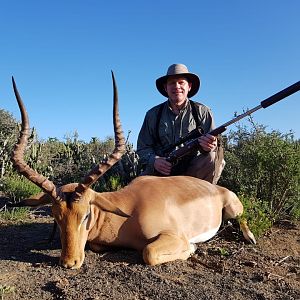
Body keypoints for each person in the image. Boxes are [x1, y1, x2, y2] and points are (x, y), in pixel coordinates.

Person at [137, 63, 224, 184]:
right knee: (137, 187)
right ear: (165, 88)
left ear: (189, 86)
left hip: (193, 171)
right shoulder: (152, 114)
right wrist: (154, 161)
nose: (176, 86)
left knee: (211, 158)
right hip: (163, 170)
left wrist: (210, 145)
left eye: (181, 82)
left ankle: (202, 198)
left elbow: (215, 143)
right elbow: (143, 147)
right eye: (172, 83)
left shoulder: (203, 111)